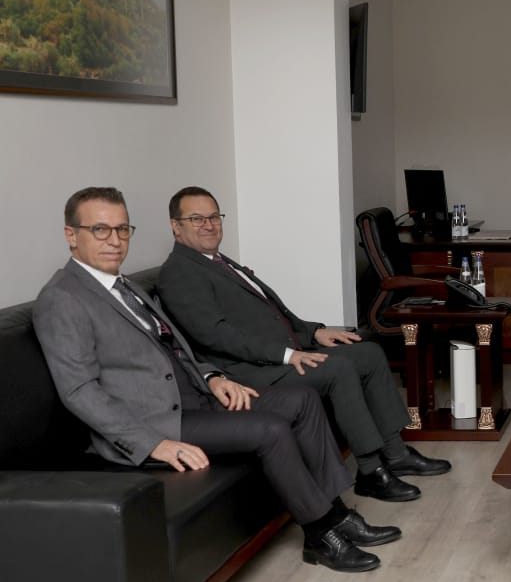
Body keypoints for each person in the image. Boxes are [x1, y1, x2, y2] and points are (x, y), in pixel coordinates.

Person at [33, 187, 398, 573]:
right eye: (100, 230)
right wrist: (153, 443)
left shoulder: (123, 286)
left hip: (195, 396)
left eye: (122, 229)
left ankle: (336, 514)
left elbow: (175, 347)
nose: (115, 240)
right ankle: (321, 533)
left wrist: (212, 377)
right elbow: (79, 390)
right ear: (71, 235)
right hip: (158, 421)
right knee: (271, 429)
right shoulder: (62, 299)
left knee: (302, 400)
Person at [156, 186, 449, 504]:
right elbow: (215, 335)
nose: (209, 225)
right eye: (197, 219)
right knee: (339, 368)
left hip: (274, 356)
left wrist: (314, 333)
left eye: (214, 217)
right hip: (245, 372)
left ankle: (396, 453)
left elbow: (274, 312)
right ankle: (370, 471)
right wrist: (286, 355)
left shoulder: (217, 261)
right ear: (176, 226)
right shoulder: (179, 272)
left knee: (368, 352)